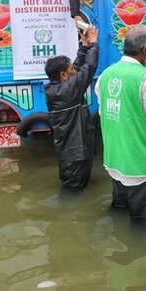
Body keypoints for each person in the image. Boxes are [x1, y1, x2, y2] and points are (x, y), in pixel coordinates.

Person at [95, 25, 146, 224]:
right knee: (143, 226)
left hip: (114, 161)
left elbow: (104, 111)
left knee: (119, 214)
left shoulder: (106, 75)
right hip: (140, 166)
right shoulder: (144, 76)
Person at [44, 25, 99, 188]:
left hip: (70, 155)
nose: (73, 71)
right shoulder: (68, 90)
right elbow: (89, 67)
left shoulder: (56, 89)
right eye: (70, 70)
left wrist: (84, 45)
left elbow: (77, 67)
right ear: (63, 75)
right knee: (73, 193)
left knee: (73, 190)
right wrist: (94, 43)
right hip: (76, 157)